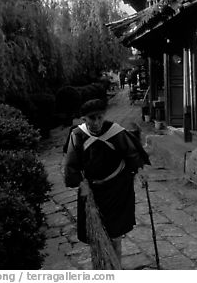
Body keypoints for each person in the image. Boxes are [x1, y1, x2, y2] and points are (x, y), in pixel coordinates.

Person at [64, 99, 150, 266]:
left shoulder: (115, 132)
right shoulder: (78, 135)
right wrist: (82, 185)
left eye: (100, 117)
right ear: (84, 119)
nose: (96, 122)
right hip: (91, 192)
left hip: (117, 189)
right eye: (92, 118)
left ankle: (116, 268)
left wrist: (140, 172)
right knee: (95, 237)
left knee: (116, 235)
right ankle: (100, 269)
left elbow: (132, 154)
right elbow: (71, 165)